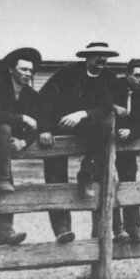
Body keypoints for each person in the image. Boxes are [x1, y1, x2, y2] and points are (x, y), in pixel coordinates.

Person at [38, 41, 118, 242]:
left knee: (106, 126)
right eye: (97, 55)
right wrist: (45, 129)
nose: (102, 59)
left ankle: (86, 173)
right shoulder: (67, 72)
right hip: (58, 128)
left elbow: (106, 106)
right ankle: (62, 228)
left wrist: (82, 113)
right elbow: (44, 100)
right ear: (87, 57)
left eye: (105, 55)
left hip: (87, 126)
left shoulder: (109, 77)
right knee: (55, 177)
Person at [0, 48, 43, 246]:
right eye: (23, 69)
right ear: (11, 69)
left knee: (5, 185)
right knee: (3, 128)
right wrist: (22, 118)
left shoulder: (32, 95)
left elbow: (38, 123)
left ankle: (4, 232)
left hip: (3, 151)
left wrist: (24, 141)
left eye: (30, 71)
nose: (28, 74)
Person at [110, 58, 140, 243]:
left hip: (127, 144)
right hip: (105, 142)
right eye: (137, 76)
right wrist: (112, 107)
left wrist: (131, 132)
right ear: (127, 75)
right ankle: (117, 228)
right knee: (108, 183)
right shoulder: (113, 86)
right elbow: (98, 102)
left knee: (129, 181)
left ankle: (134, 227)